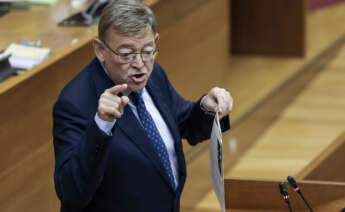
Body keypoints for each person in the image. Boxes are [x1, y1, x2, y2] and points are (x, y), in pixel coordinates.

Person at [53, 0, 233, 211]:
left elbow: (182, 122)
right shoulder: (75, 103)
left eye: (147, 51)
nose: (139, 64)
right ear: (100, 50)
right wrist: (101, 126)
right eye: (126, 54)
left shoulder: (153, 74)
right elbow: (72, 192)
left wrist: (206, 109)